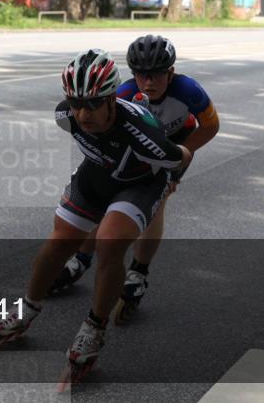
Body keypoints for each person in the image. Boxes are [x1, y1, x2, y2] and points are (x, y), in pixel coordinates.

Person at [0, 49, 191, 381]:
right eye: (76, 102)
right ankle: (27, 308)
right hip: (98, 175)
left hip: (142, 182)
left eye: (92, 104)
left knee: (109, 241)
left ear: (111, 101)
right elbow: (92, 143)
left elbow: (183, 155)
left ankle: (94, 328)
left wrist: (172, 181)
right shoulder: (66, 116)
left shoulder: (143, 135)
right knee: (61, 240)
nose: (83, 113)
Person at [51, 35, 220, 323]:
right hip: (132, 149)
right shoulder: (123, 96)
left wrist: (175, 165)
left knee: (156, 204)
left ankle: (139, 271)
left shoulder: (189, 90)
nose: (148, 82)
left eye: (155, 75)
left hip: (174, 145)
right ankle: (81, 259)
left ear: (171, 73)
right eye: (141, 75)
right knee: (103, 200)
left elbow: (211, 126)